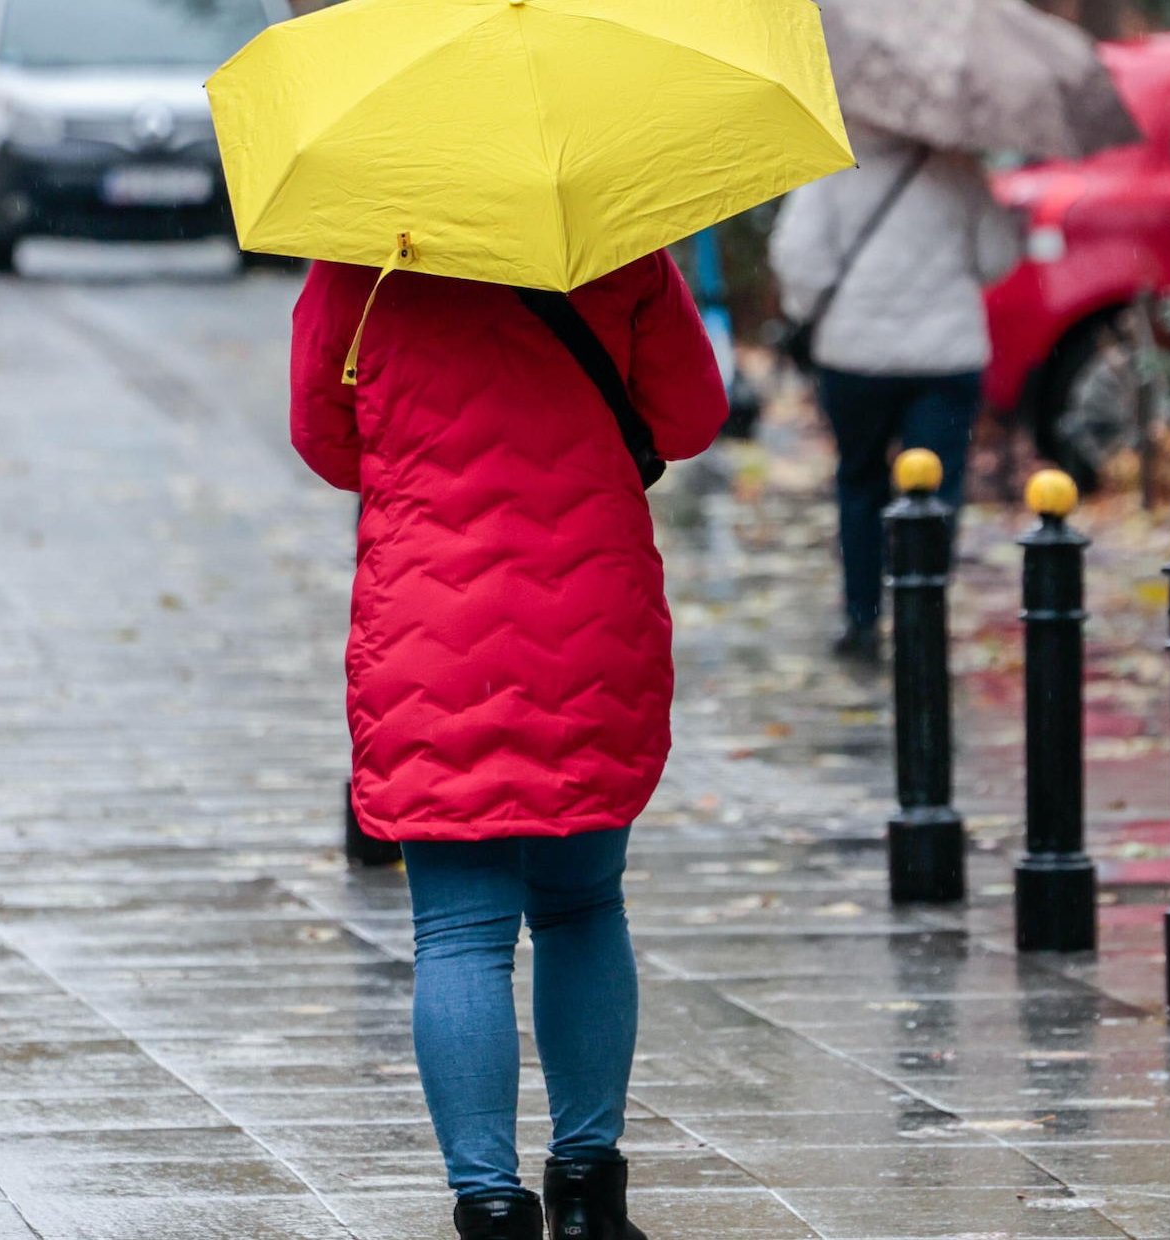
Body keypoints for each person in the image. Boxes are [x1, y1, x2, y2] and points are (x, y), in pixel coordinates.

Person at [291, 252, 727, 1240]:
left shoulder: (360, 256)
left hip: (430, 617)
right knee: (582, 904)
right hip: (587, 608)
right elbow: (692, 418)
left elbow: (324, 438)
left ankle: (487, 1207)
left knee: (457, 931)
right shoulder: (615, 239)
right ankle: (587, 1194)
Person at [771, 123, 1022, 664]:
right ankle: (922, 612)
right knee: (936, 490)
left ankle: (862, 620)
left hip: (853, 357)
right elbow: (996, 258)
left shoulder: (831, 164)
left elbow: (798, 258)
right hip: (945, 357)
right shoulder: (958, 166)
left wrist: (815, 312)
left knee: (860, 481)